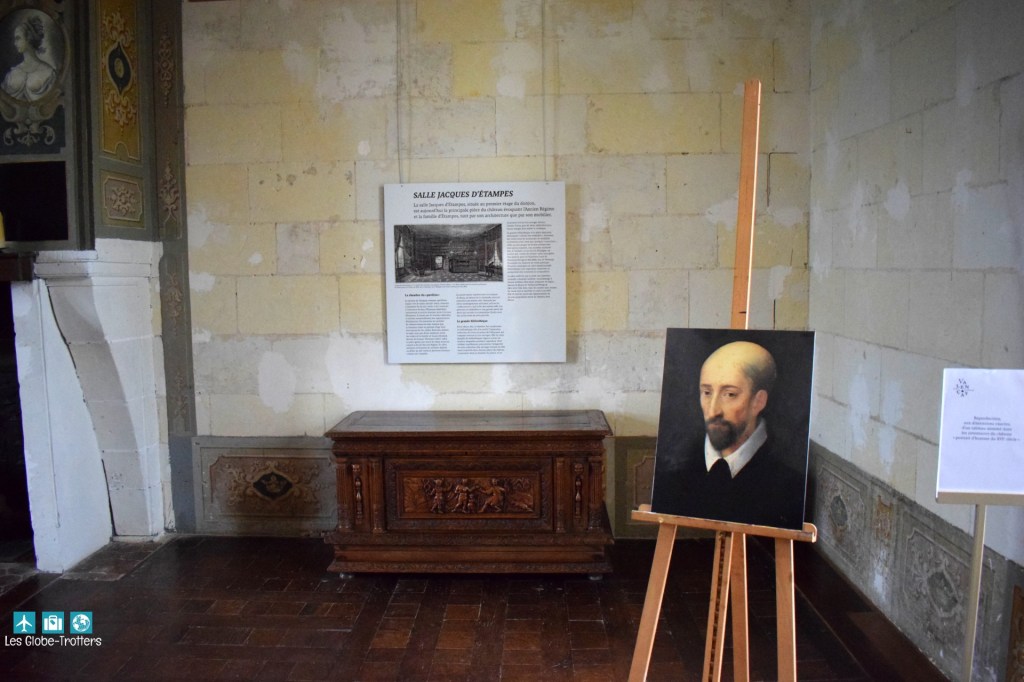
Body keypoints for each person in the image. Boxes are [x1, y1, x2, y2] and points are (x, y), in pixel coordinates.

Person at [651, 340, 805, 529]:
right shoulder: (673, 472)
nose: (713, 410)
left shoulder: (789, 483)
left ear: (759, 401)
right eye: (707, 393)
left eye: (730, 394)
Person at [2, 16, 57, 102]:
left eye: (18, 38)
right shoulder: (12, 74)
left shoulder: (49, 72)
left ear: (29, 38)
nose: (15, 43)